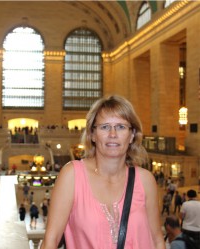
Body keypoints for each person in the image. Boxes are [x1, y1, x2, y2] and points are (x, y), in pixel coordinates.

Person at [41, 95, 165, 249]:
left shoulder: (145, 180)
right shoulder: (72, 175)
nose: (112, 134)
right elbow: (51, 240)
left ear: (132, 135)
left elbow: (157, 240)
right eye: (105, 127)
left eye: (121, 127)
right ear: (92, 134)